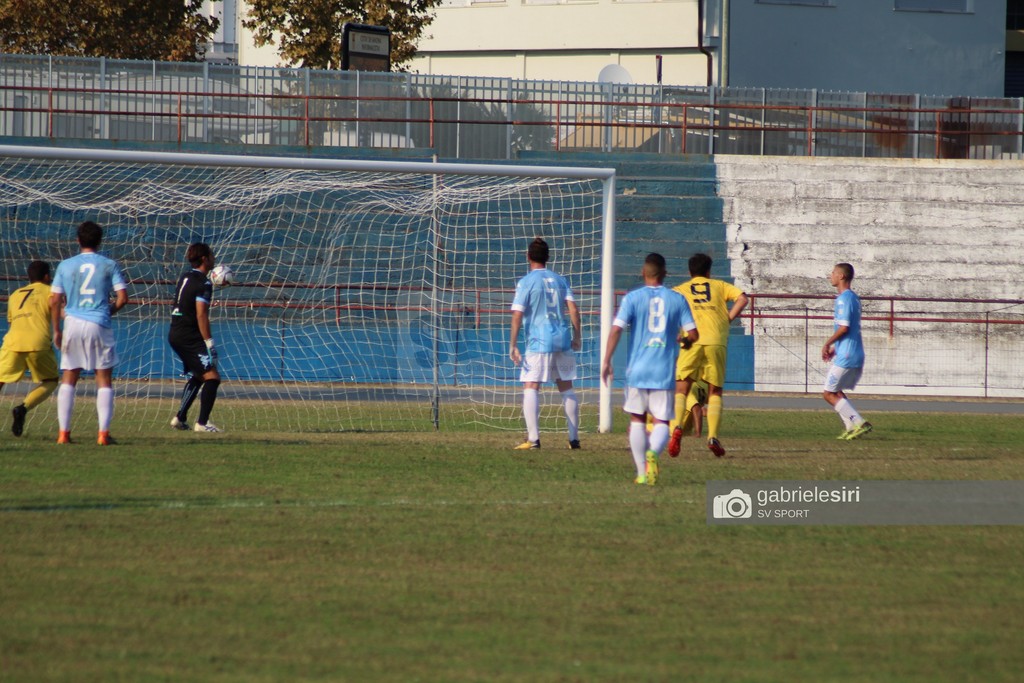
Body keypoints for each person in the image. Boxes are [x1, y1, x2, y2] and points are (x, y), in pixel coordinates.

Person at [601, 253, 698, 485]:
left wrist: (606, 360)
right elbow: (693, 334)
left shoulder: (632, 298)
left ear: (643, 273)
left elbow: (616, 329)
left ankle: (642, 473)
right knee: (662, 421)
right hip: (663, 370)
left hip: (638, 370)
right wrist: (684, 342)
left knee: (637, 419)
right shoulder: (677, 299)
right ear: (665, 274)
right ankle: (653, 452)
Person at [50, 221, 129, 445]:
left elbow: (54, 300)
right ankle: (103, 434)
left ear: (78, 240)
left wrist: (56, 329)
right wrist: (106, 312)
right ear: (100, 241)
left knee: (69, 376)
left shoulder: (65, 265)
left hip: (73, 323)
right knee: (103, 378)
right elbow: (123, 298)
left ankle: (63, 433)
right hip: (99, 324)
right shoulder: (109, 264)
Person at [668, 253, 748, 458]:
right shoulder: (719, 286)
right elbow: (743, 299)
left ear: (689, 272)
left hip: (691, 338)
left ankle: (676, 428)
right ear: (709, 271)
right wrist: (727, 319)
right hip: (716, 339)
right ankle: (712, 437)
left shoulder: (681, 289)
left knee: (681, 388)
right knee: (715, 391)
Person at [509, 237, 582, 449]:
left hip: (539, 341)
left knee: (531, 386)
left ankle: (533, 439)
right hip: (562, 339)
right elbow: (573, 309)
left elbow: (517, 314)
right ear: (548, 257)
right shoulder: (560, 280)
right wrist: (577, 336)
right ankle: (574, 439)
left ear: (528, 257)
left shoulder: (526, 282)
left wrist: (513, 344)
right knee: (566, 387)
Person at [168, 243, 224, 433]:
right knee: (213, 377)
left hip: (176, 332)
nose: (214, 258)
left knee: (199, 375)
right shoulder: (204, 283)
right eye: (211, 255)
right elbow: (201, 314)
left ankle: (180, 418)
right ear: (204, 259)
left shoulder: (185, 276)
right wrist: (209, 342)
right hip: (189, 335)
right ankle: (202, 423)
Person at [1, 261, 59, 437]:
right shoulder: (51, 292)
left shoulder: (15, 294)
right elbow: (59, 309)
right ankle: (23, 408)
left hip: (12, 343)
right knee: (51, 380)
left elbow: (11, 322)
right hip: (38, 343)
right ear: (47, 277)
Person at [822, 262, 872, 440]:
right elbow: (850, 331)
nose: (831, 275)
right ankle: (851, 427)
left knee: (828, 394)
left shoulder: (843, 299)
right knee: (837, 391)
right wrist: (836, 349)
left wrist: (827, 344)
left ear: (841, 276)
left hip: (847, 356)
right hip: (852, 352)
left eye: (833, 272)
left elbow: (844, 328)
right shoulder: (854, 298)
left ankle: (859, 422)